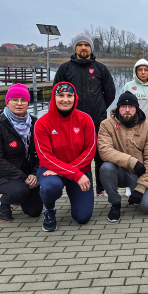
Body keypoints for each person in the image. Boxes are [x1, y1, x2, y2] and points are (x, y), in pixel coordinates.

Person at [53, 33, 115, 196]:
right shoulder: (65, 69)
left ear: (91, 48)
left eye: (86, 45)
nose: (83, 48)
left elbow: (110, 93)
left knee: (100, 155)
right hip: (72, 122)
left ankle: (101, 188)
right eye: (80, 45)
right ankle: (77, 188)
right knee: (76, 154)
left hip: (97, 121)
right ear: (75, 48)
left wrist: (99, 107)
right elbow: (57, 93)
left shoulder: (101, 69)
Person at [34, 83, 97, 231]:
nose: (65, 99)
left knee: (82, 217)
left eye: (70, 96)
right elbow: (46, 157)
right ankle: (49, 210)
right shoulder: (42, 123)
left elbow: (90, 151)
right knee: (51, 186)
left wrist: (70, 171)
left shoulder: (85, 119)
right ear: (54, 98)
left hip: (79, 171)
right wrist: (72, 172)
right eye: (61, 95)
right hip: (51, 171)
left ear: (75, 98)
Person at [98, 91, 148, 222]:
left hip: (139, 174)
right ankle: (115, 203)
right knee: (106, 168)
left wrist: (141, 188)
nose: (127, 110)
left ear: (136, 108)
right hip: (117, 171)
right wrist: (132, 162)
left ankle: (136, 190)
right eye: (123, 106)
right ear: (118, 107)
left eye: (131, 106)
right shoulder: (106, 125)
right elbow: (104, 150)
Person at [0, 84, 43, 221]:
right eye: (14, 100)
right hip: (2, 175)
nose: (19, 103)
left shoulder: (35, 123)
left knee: (34, 211)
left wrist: (34, 174)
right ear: (7, 102)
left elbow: (40, 153)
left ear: (28, 103)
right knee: (19, 191)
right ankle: (4, 202)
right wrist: (23, 177)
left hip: (28, 173)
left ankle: (20, 196)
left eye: (23, 100)